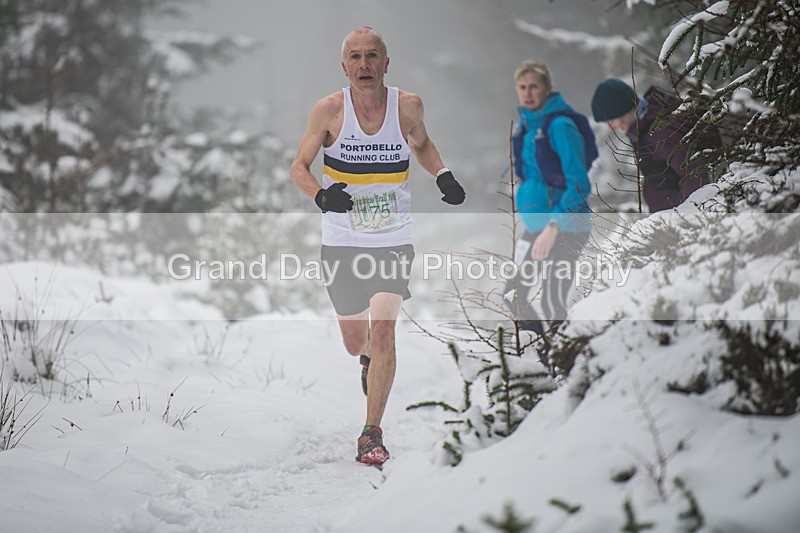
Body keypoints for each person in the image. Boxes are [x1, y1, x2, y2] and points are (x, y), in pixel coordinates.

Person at [290, 27, 465, 466]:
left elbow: (423, 145)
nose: (364, 65)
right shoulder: (329, 111)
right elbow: (299, 167)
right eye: (355, 57)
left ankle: (371, 433)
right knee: (357, 342)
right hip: (343, 239)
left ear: (387, 63)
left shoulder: (408, 106)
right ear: (344, 67)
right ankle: (367, 359)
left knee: (384, 330)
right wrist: (322, 195)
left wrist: (442, 174)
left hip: (392, 237)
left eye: (372, 56)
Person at [506, 60, 596, 338]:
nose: (527, 93)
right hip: (538, 228)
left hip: (566, 227)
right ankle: (544, 359)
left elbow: (579, 184)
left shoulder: (560, 126)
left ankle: (570, 367)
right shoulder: (527, 127)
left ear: (547, 88)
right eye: (522, 87)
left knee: (552, 301)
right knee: (512, 294)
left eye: (534, 86)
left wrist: (553, 227)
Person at [591, 78, 721, 212]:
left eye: (611, 121)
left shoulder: (661, 132)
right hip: (669, 216)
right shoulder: (643, 128)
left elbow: (695, 175)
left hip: (682, 218)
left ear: (622, 111)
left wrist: (684, 215)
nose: (612, 128)